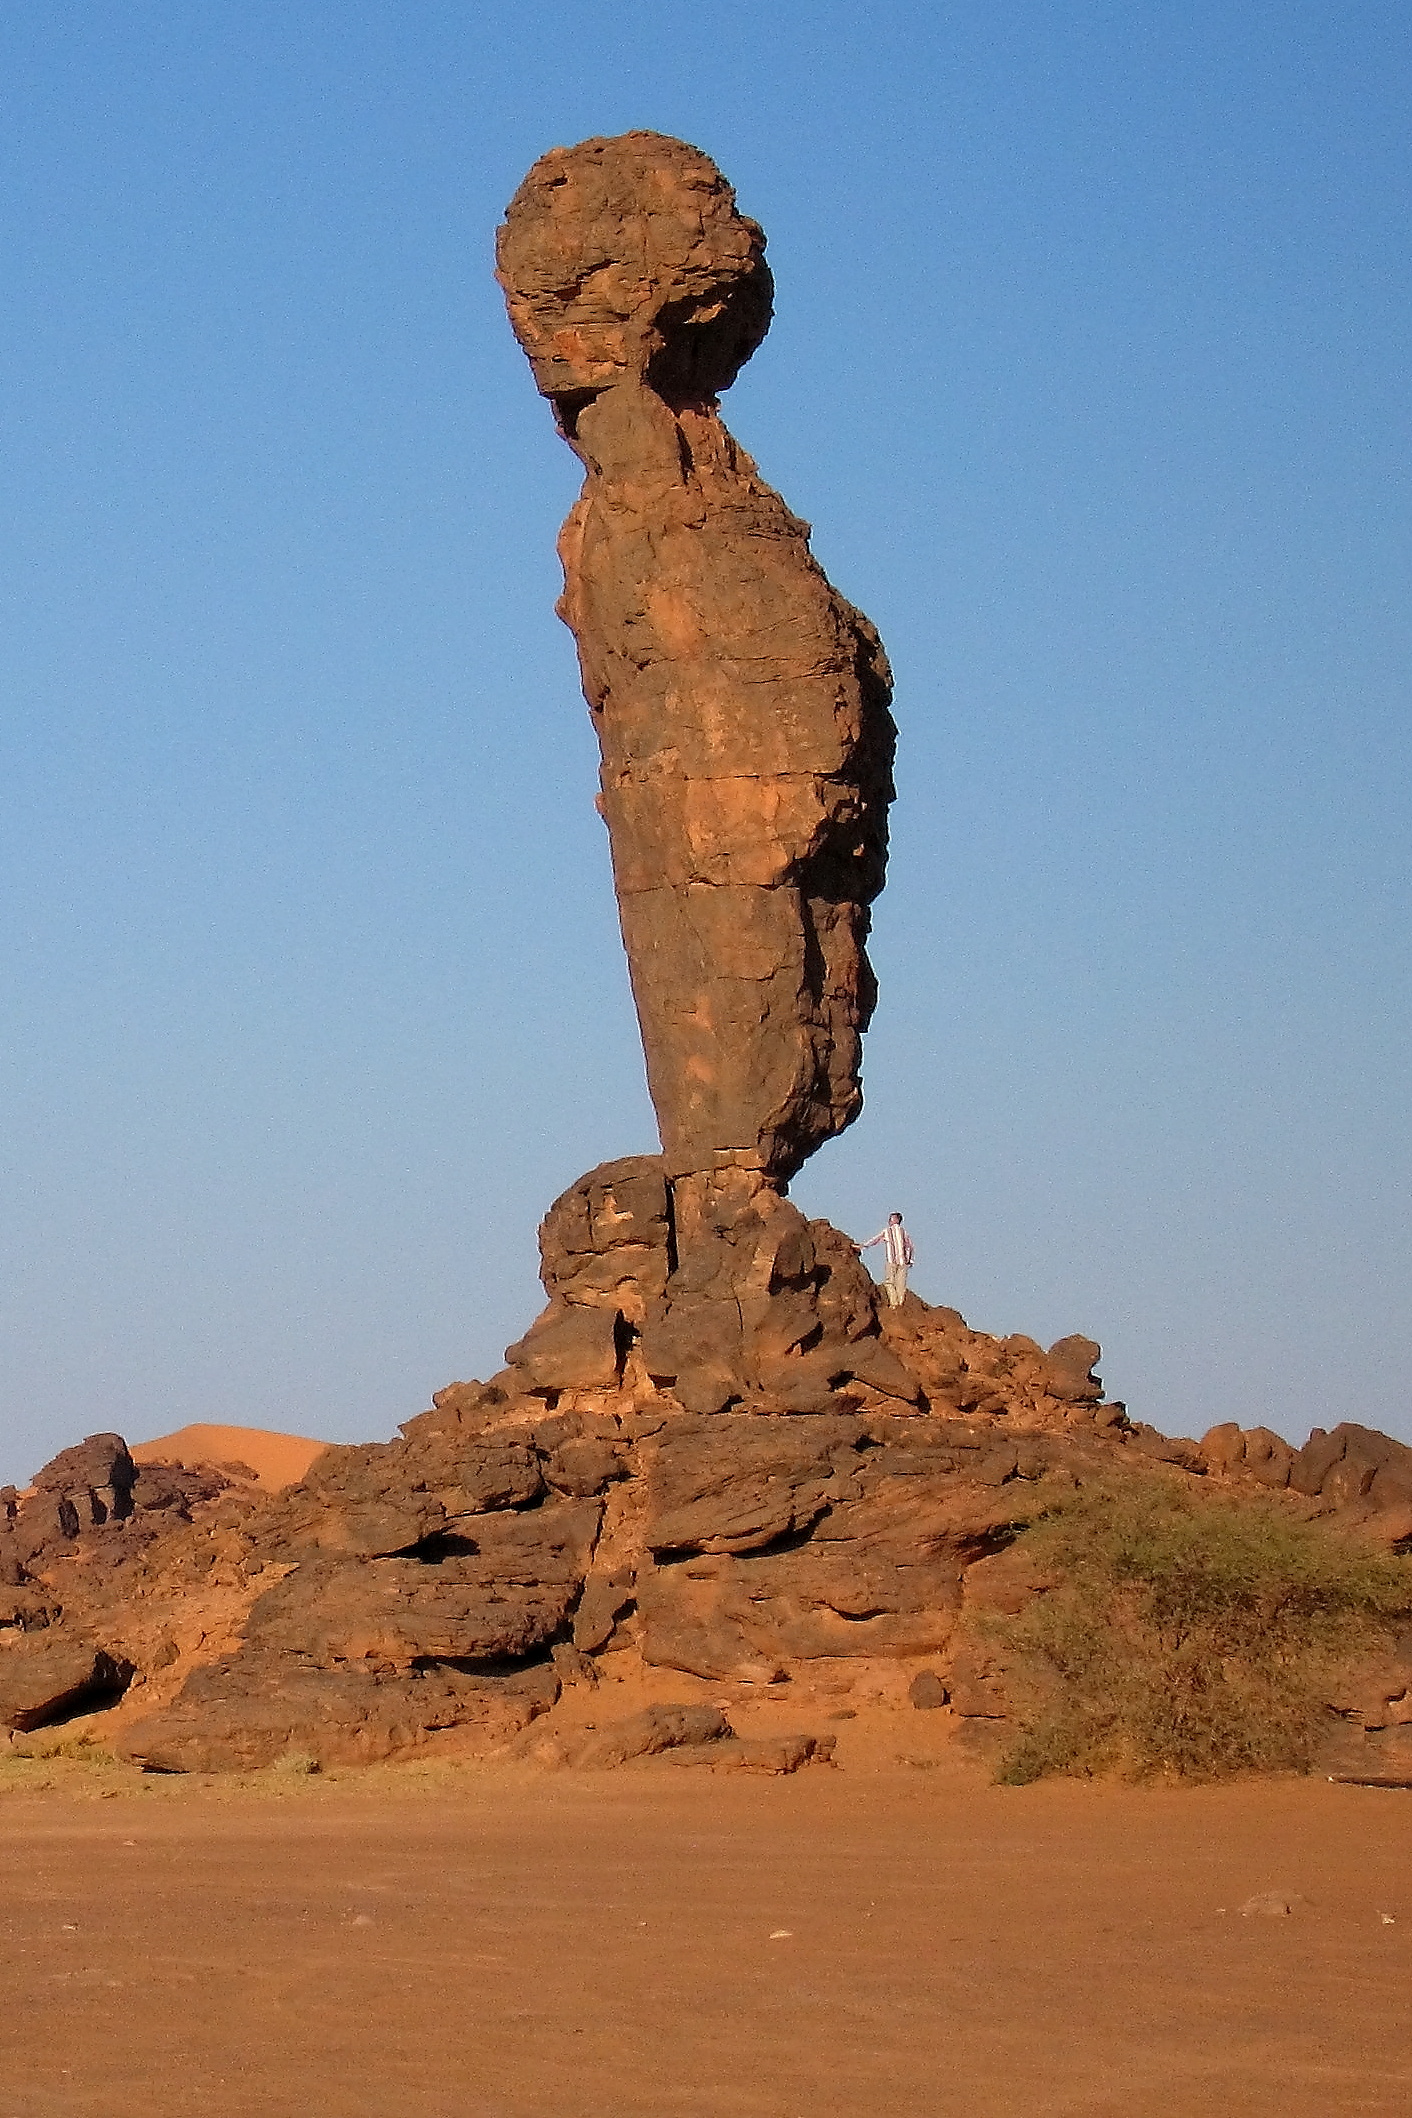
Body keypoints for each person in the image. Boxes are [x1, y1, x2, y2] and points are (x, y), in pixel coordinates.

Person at [859, 1212, 914, 1307]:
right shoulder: (904, 1232)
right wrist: (909, 1260)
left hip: (891, 1261)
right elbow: (910, 1246)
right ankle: (900, 1303)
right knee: (901, 1284)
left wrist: (863, 1246)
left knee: (889, 1282)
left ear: (896, 1220)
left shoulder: (887, 1231)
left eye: (891, 1219)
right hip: (903, 1262)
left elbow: (875, 1240)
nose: (889, 1221)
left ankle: (894, 1303)